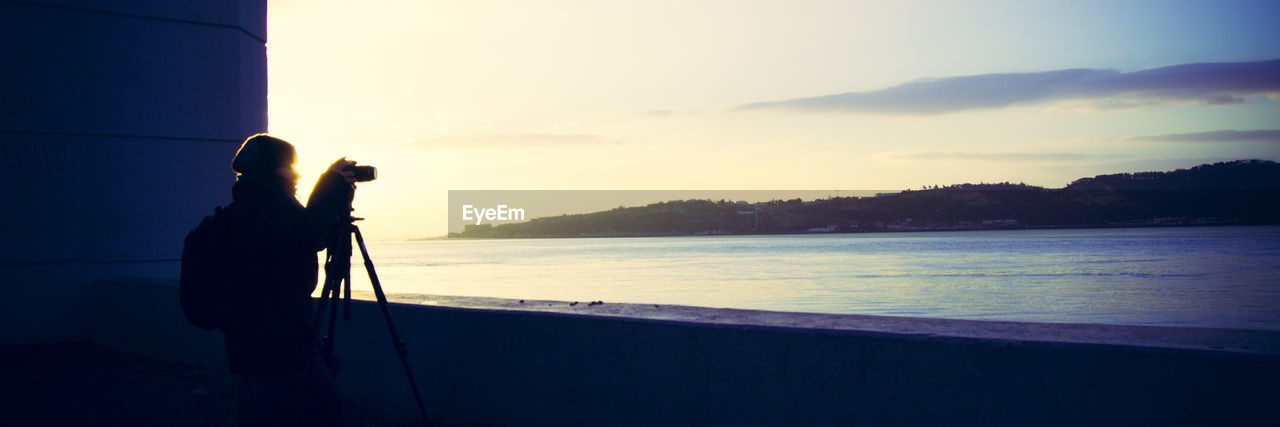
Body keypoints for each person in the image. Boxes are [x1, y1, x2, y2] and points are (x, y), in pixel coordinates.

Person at [221, 133, 356, 426]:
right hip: (275, 338)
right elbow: (307, 235)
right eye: (290, 166)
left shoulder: (248, 208)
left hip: (252, 337)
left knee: (266, 407)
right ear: (272, 170)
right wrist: (330, 184)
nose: (296, 174)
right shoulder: (266, 210)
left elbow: (301, 236)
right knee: (325, 404)